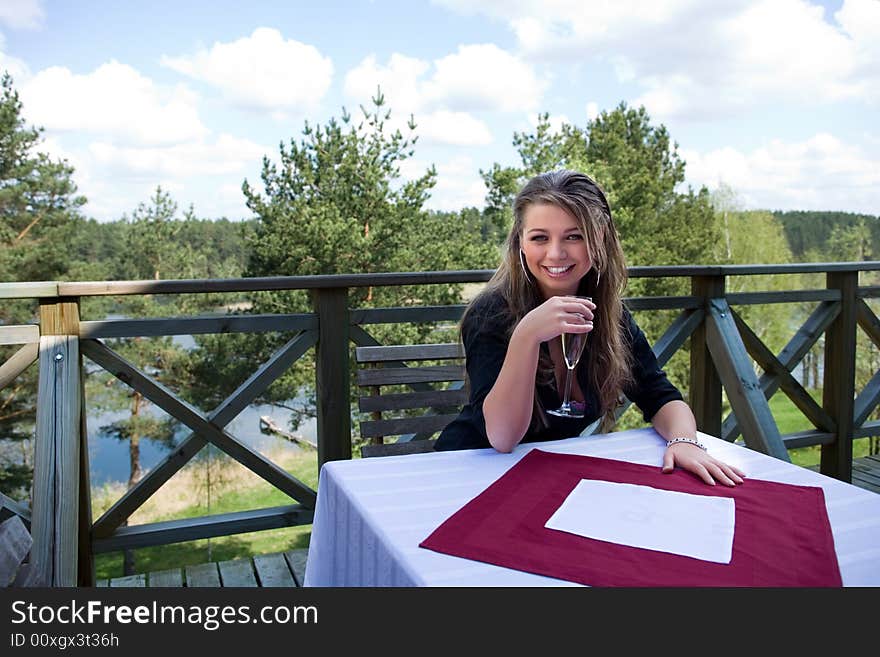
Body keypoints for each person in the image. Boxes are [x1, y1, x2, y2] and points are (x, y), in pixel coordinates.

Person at [435, 169, 745, 487]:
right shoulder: (492, 314)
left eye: (574, 236)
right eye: (540, 237)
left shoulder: (610, 315)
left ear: (599, 240)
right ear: (520, 244)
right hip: (471, 474)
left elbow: (661, 396)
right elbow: (502, 438)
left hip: (547, 478)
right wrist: (526, 335)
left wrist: (683, 441)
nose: (556, 253)